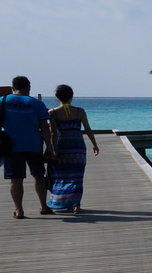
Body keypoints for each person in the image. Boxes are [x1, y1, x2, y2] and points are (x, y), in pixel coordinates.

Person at [2, 76, 56, 219]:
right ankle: (44, 206)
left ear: (13, 87)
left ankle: (19, 210)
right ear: (28, 88)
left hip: (11, 146)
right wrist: (49, 146)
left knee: (16, 179)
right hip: (34, 145)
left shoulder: (3, 101)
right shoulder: (36, 104)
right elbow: (45, 127)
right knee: (39, 176)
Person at [46, 84, 99, 214]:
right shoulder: (80, 111)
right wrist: (94, 144)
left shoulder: (52, 112)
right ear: (72, 96)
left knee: (61, 176)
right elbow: (87, 129)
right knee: (77, 177)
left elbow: (53, 133)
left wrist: (53, 149)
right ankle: (76, 205)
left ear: (57, 97)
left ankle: (61, 202)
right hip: (78, 147)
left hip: (62, 146)